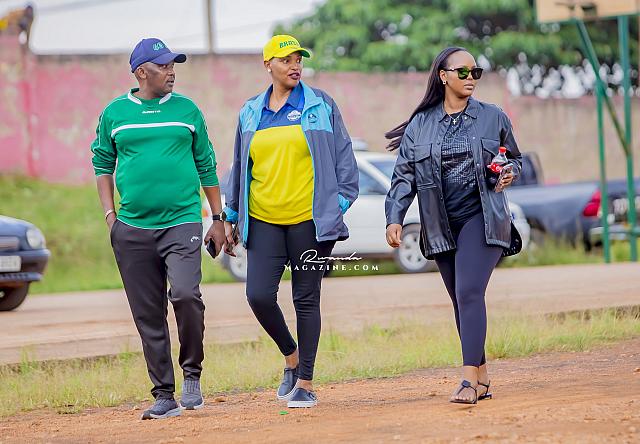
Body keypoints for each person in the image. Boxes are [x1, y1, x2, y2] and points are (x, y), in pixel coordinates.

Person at [91, 38, 226, 419]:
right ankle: (164, 394)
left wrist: (218, 220)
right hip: (132, 228)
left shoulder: (187, 110)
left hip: (182, 221)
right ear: (141, 72)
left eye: (173, 65)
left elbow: (206, 164)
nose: (171, 72)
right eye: (163, 66)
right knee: (148, 313)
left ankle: (192, 373)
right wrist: (110, 217)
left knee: (185, 294)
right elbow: (102, 163)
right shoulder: (115, 113)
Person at [222, 35, 358, 408]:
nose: (294, 66)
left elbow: (345, 160)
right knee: (258, 295)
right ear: (268, 65)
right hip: (263, 219)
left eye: (298, 59)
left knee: (306, 299)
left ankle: (306, 383)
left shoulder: (320, 105)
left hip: (309, 222)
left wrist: (336, 205)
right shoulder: (251, 111)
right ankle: (291, 358)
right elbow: (240, 166)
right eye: (286, 60)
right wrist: (230, 216)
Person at [384, 47, 523, 404]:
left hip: (483, 217)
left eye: (475, 72)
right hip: (440, 224)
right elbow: (404, 176)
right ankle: (483, 378)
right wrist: (394, 217)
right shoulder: (420, 124)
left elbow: (515, 158)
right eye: (462, 72)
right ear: (443, 76)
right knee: (461, 301)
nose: (470, 78)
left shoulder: (493, 117)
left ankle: (467, 381)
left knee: (469, 292)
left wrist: (509, 171)